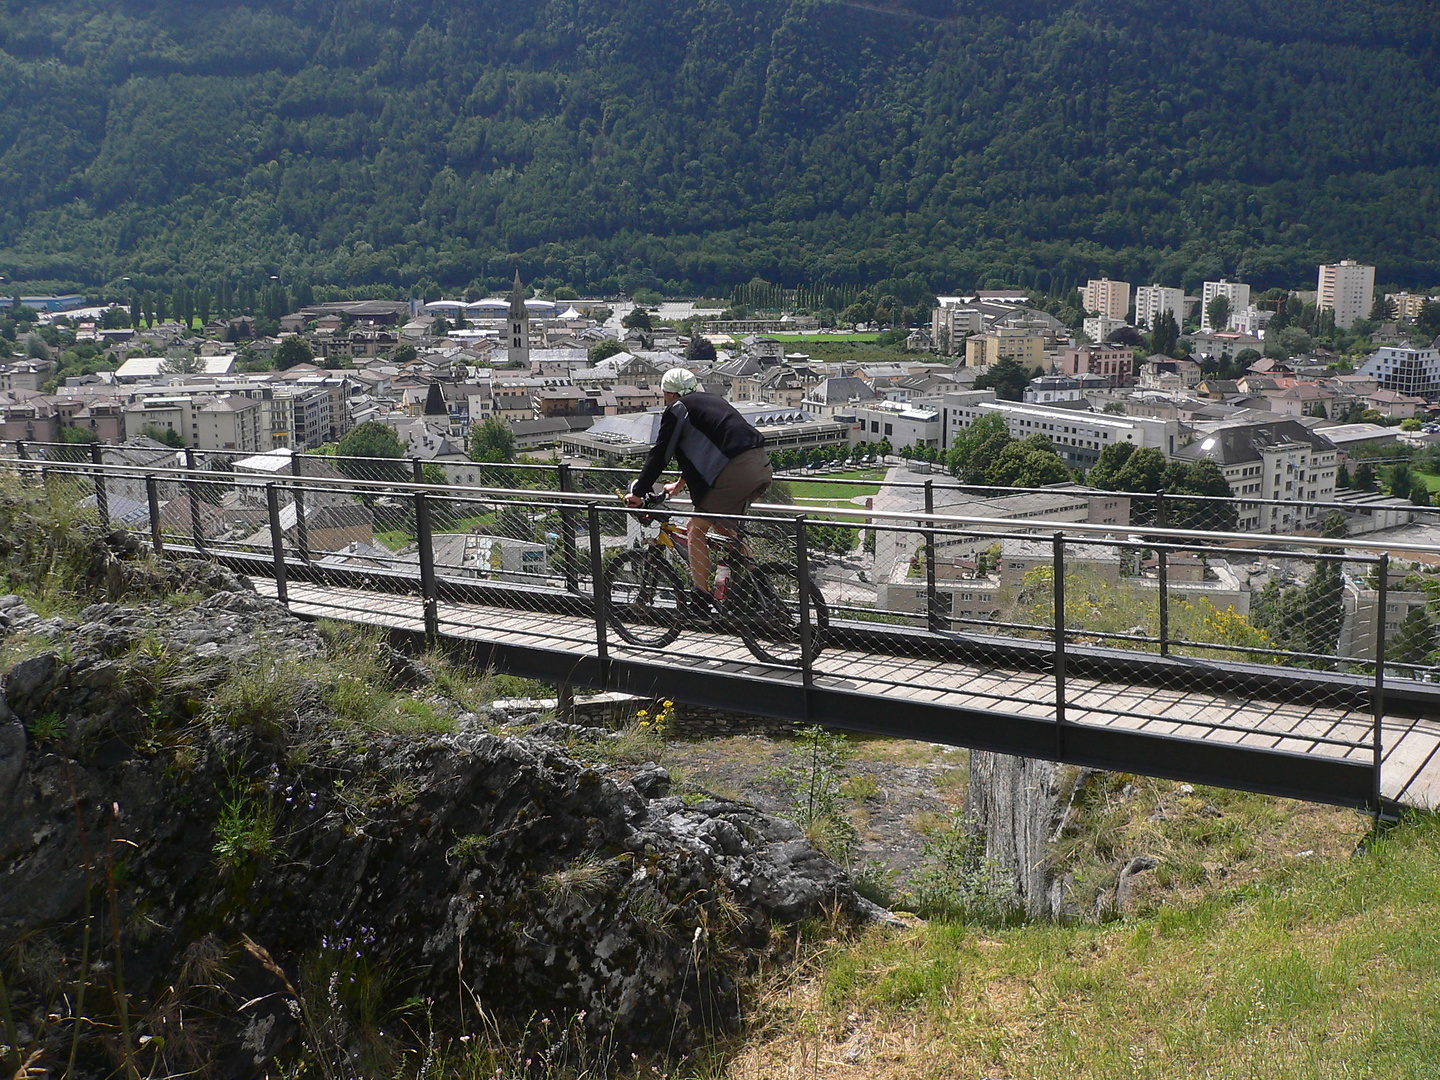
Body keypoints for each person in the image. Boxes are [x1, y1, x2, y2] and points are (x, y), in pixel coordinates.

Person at [627, 367, 773, 609]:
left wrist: (639, 491)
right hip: (759, 465)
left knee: (696, 529)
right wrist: (680, 484)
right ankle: (762, 591)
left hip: (733, 471)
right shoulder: (711, 401)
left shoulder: (677, 409)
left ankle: (701, 599)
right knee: (726, 531)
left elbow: (661, 453)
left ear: (669, 393)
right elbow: (712, 448)